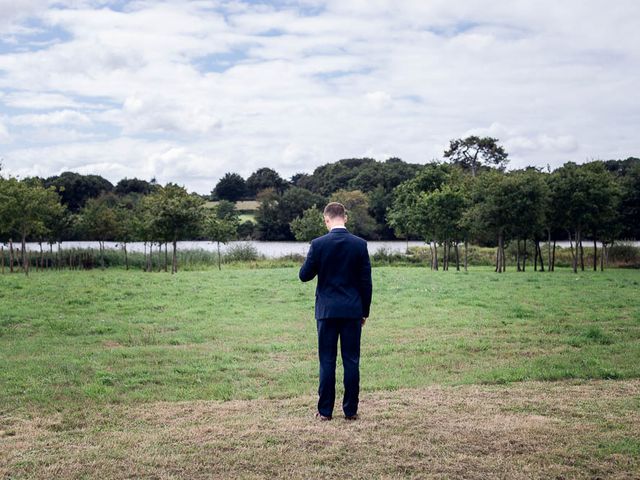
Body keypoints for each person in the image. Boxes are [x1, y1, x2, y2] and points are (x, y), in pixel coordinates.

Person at [299, 202, 372, 421]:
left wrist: (317, 261)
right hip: (352, 311)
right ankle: (350, 411)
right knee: (351, 360)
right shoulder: (360, 245)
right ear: (345, 218)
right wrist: (364, 312)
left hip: (326, 312)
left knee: (327, 361)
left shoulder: (319, 244)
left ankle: (325, 411)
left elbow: (304, 275)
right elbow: (366, 283)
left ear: (326, 219)